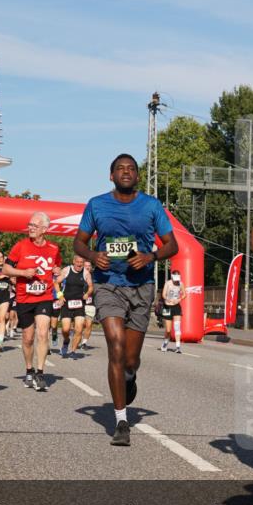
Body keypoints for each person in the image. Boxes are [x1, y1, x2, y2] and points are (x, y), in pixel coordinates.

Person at [74, 153, 178, 447]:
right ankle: (121, 421)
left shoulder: (151, 205)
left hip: (141, 287)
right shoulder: (97, 205)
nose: (126, 172)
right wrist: (93, 255)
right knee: (115, 349)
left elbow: (173, 244)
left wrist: (151, 256)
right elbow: (78, 241)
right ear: (111, 175)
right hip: (109, 287)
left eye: (131, 169)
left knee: (131, 359)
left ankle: (130, 375)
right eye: (120, 169)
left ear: (137, 176)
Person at [3, 212, 62, 392]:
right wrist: (22, 273)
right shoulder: (20, 246)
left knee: (43, 333)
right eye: (29, 225)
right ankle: (29, 369)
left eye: (34, 226)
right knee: (28, 338)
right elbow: (6, 268)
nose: (30, 228)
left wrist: (57, 271)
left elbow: (56, 266)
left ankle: (40, 372)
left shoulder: (54, 248)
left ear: (44, 229)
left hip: (44, 296)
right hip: (24, 297)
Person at [56, 254, 94, 358]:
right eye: (77, 262)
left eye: (81, 263)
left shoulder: (86, 273)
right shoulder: (67, 270)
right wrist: (60, 296)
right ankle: (66, 341)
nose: (79, 265)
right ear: (74, 261)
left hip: (79, 304)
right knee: (65, 329)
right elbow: (56, 283)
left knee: (79, 329)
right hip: (67, 303)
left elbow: (91, 286)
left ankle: (73, 351)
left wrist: (87, 294)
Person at [159, 270, 187, 353]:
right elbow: (163, 295)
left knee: (177, 327)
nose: (176, 279)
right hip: (167, 307)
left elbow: (184, 294)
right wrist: (168, 299)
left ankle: (178, 347)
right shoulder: (168, 283)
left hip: (176, 307)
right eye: (175, 277)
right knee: (168, 330)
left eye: (178, 277)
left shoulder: (181, 283)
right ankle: (165, 343)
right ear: (172, 276)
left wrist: (179, 299)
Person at [80, 259, 96, 349]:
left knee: (89, 324)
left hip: (91, 303)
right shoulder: (77, 275)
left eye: (89, 266)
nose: (87, 267)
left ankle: (84, 343)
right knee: (80, 324)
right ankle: (76, 335)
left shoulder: (95, 277)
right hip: (78, 303)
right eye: (86, 265)